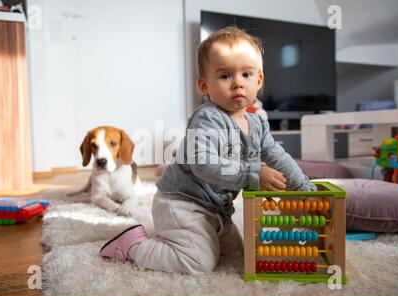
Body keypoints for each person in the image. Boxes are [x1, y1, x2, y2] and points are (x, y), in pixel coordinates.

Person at [100, 26, 316, 274]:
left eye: (246, 74)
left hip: (216, 209)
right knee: (199, 263)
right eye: (225, 76)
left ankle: (189, 238)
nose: (237, 83)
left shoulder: (257, 124)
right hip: (181, 203)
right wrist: (251, 174)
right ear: (204, 86)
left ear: (259, 80)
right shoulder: (207, 119)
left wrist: (303, 187)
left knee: (236, 254)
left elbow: (278, 156)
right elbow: (202, 163)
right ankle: (133, 246)